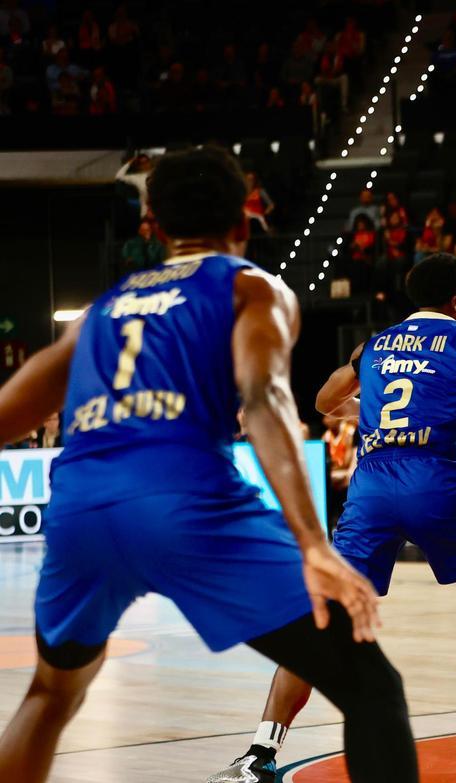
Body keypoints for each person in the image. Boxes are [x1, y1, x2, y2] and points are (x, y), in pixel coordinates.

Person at [0, 147, 416, 783]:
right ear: (245, 221)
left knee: (50, 695)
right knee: (369, 685)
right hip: (185, 503)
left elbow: (9, 412)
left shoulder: (99, 312)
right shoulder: (251, 287)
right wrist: (313, 542)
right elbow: (265, 400)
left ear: (154, 225)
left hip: (80, 511)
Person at [209, 254, 456, 781]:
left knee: (321, 618)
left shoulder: (372, 347)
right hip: (434, 483)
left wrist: (370, 417)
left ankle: (258, 756)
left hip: (372, 487)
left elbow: (325, 400)